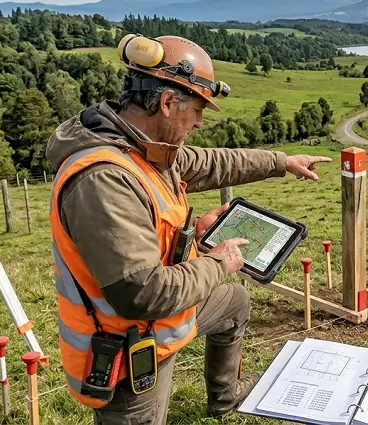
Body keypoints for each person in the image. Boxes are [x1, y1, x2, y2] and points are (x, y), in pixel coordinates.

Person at [45, 33, 332, 424]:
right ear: (167, 103)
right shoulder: (104, 179)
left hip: (164, 321)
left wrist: (282, 162)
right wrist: (219, 262)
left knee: (233, 302)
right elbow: (142, 293)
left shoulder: (148, 151)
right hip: (129, 352)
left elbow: (213, 163)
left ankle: (225, 397)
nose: (199, 122)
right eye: (197, 110)